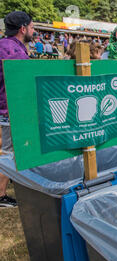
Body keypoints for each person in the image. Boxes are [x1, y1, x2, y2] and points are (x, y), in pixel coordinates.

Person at [0, 11, 35, 207]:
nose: (33, 30)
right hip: (10, 110)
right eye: (31, 27)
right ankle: (1, 194)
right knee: (9, 152)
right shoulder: (13, 51)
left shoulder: (6, 45)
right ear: (23, 29)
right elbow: (23, 83)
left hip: (6, 108)